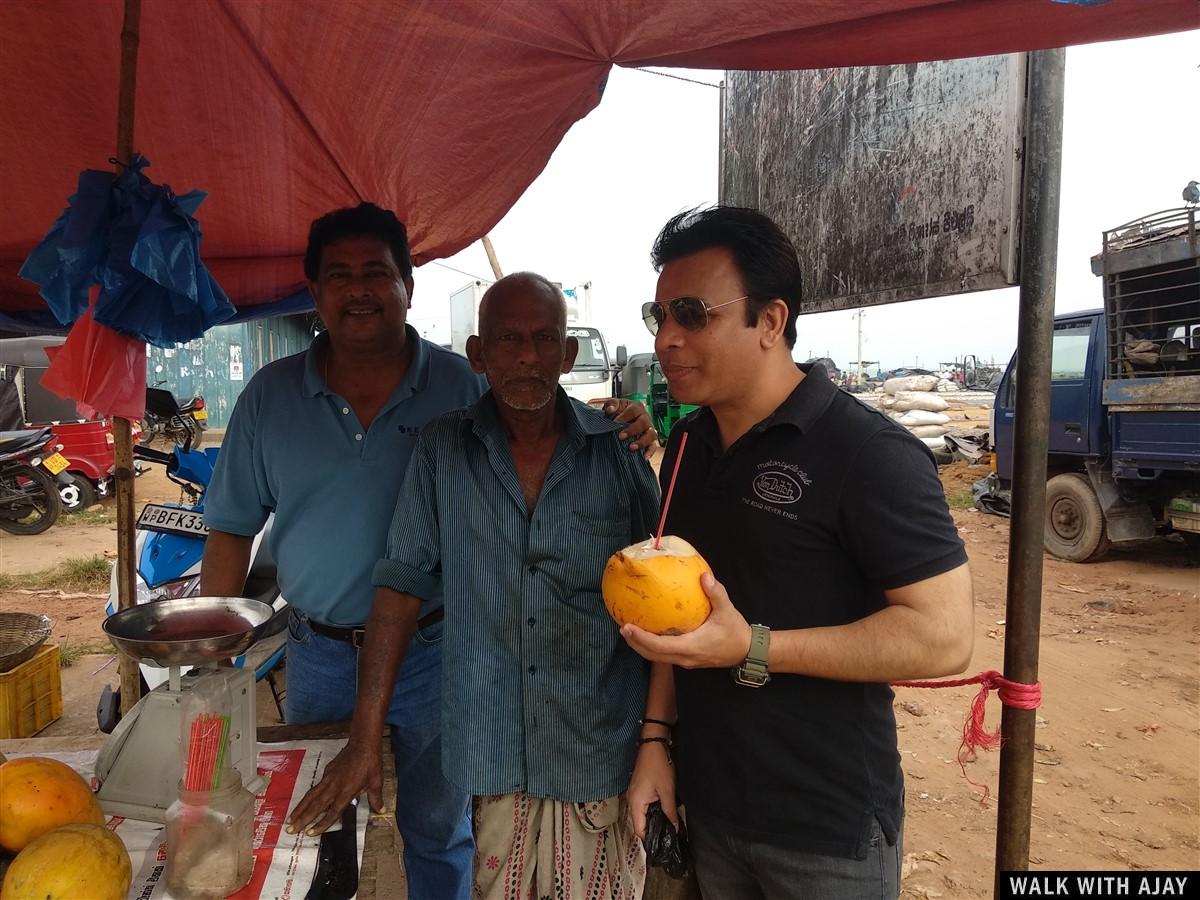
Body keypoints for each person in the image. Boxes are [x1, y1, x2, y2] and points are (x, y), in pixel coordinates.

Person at [200, 203, 655, 900]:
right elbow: (231, 528)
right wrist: (214, 661)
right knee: (316, 828)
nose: (358, 290)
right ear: (314, 291)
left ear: (407, 286)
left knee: (441, 829)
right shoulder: (270, 396)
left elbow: (540, 414)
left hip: (447, 654)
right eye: (339, 275)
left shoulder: (462, 389)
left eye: (376, 273)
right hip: (318, 651)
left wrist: (622, 424)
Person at [621, 206, 974, 900]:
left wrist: (752, 647)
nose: (667, 339)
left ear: (771, 322)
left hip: (826, 830)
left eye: (692, 314)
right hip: (712, 809)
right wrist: (656, 743)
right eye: (657, 315)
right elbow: (680, 622)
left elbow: (942, 637)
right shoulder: (689, 447)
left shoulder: (868, 453)